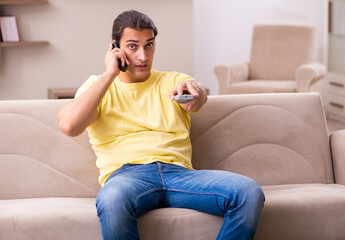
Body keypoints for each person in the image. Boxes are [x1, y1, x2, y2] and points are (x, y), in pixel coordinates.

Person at [58, 10, 265, 240]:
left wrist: (195, 92)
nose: (143, 56)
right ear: (115, 48)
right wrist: (110, 73)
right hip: (127, 176)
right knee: (112, 198)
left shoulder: (172, 80)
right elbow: (69, 125)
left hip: (180, 175)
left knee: (249, 192)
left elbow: (197, 95)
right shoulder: (98, 87)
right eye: (133, 46)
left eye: (149, 45)